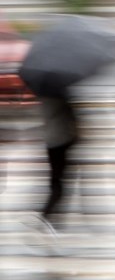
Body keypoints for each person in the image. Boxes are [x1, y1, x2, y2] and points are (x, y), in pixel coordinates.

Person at [36, 94, 78, 233]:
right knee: (60, 185)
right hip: (62, 142)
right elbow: (72, 120)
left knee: (56, 181)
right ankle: (47, 216)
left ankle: (51, 217)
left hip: (50, 143)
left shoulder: (43, 99)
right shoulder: (61, 99)